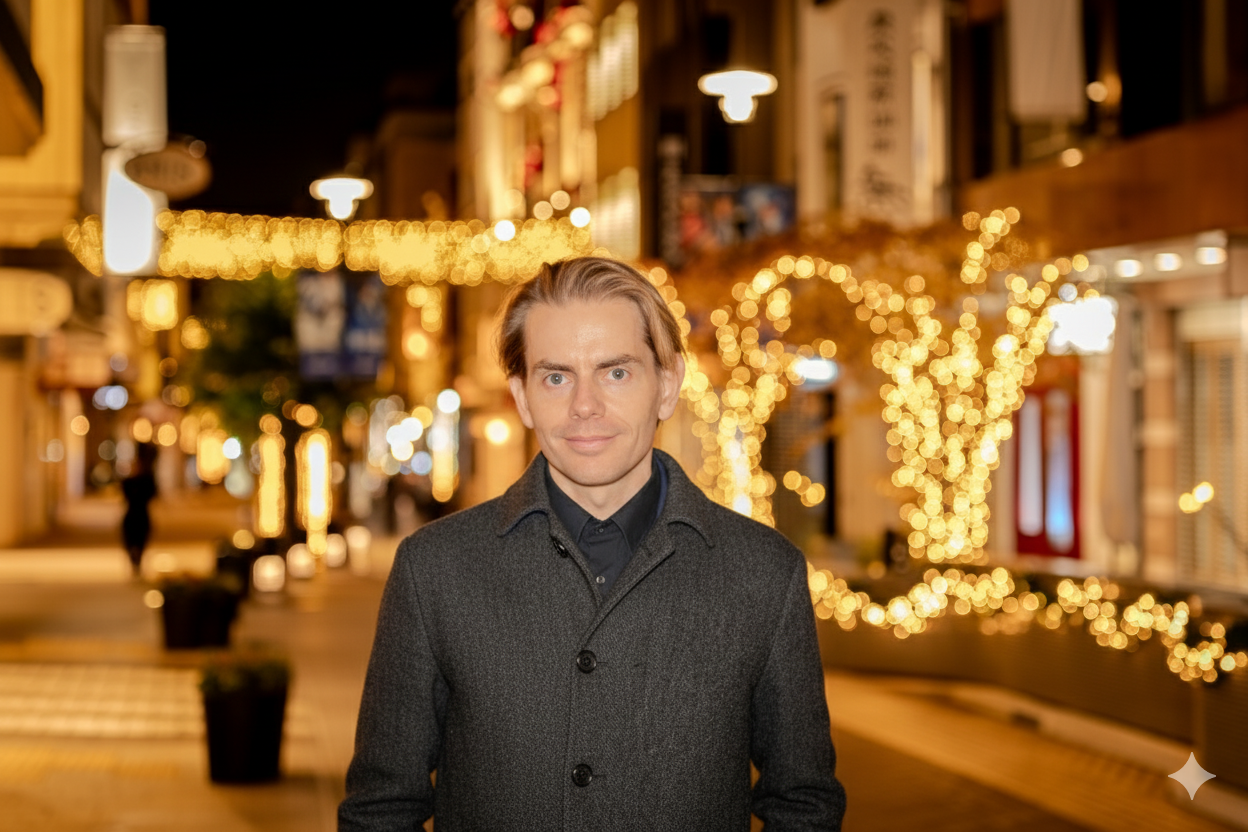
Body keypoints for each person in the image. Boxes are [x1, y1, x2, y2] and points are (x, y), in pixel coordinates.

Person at [339, 256, 846, 831]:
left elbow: (803, 803)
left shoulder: (764, 573)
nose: (584, 406)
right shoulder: (435, 569)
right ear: (524, 396)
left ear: (668, 384)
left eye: (616, 372)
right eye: (556, 376)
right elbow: (381, 810)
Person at [121, 442, 158, 577]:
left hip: (142, 515)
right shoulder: (129, 482)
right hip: (132, 515)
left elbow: (153, 494)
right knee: (130, 540)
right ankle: (133, 562)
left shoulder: (146, 480)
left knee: (141, 540)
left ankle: (138, 562)